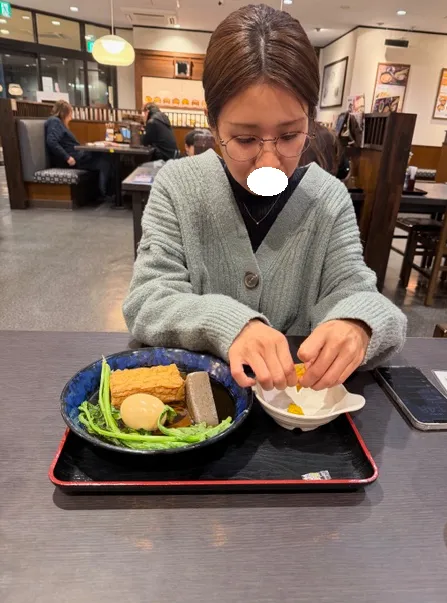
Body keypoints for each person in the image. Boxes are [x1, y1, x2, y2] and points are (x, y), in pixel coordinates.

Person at [124, 3, 406, 392]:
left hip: (299, 416)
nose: (269, 162)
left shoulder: (328, 199)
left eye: (289, 136)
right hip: (203, 408)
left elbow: (357, 291)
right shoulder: (179, 186)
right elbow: (148, 299)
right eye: (245, 139)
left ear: (310, 120)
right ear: (213, 125)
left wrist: (356, 324)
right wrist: (230, 324)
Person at [45, 100, 111, 198]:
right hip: (73, 159)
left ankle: (105, 193)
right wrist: (67, 157)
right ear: (64, 113)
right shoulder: (54, 121)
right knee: (105, 161)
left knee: (105, 157)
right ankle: (105, 194)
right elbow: (51, 141)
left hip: (77, 156)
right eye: (70, 114)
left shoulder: (58, 123)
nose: (71, 117)